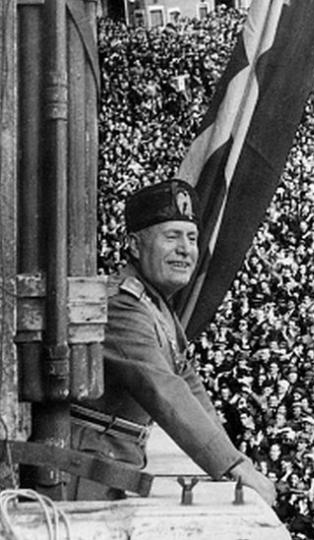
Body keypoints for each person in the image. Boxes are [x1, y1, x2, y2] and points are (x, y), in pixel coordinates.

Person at [67, 179, 276, 505]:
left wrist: (234, 458)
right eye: (172, 236)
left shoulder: (156, 304)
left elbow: (187, 382)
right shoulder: (121, 305)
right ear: (135, 246)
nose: (185, 249)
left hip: (109, 462)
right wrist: (232, 465)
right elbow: (164, 389)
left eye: (192, 238)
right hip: (83, 470)